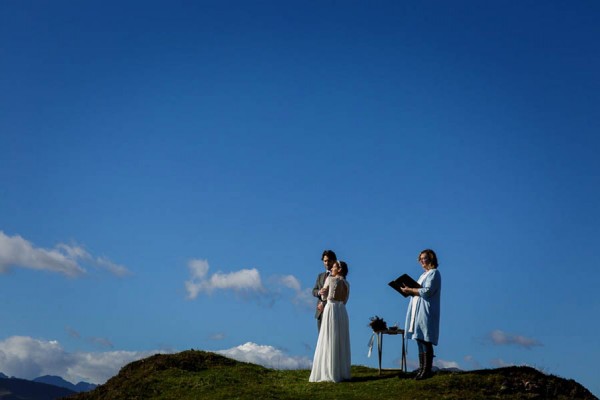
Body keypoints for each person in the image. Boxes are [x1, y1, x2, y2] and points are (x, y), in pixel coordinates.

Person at [400, 249, 442, 380]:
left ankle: (427, 369)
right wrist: (407, 290)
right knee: (418, 338)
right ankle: (421, 368)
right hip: (416, 308)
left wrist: (411, 289)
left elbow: (427, 291)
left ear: (431, 259)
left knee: (425, 338)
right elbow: (419, 289)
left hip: (425, 309)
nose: (422, 261)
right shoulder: (423, 275)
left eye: (424, 258)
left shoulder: (434, 273)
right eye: (420, 259)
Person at [309, 260, 351, 382]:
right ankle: (341, 371)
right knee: (340, 340)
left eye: (334, 267)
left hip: (331, 309)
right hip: (342, 311)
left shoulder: (330, 279)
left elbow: (323, 296)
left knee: (328, 338)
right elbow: (346, 300)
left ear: (339, 269)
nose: (332, 269)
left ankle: (328, 370)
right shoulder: (347, 283)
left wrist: (322, 294)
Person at [313, 250, 336, 332]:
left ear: (334, 261)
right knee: (321, 340)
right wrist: (319, 292)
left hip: (332, 311)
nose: (326, 263)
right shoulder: (320, 276)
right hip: (320, 312)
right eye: (325, 261)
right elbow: (314, 291)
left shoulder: (338, 277)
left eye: (328, 261)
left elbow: (337, 295)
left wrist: (324, 303)